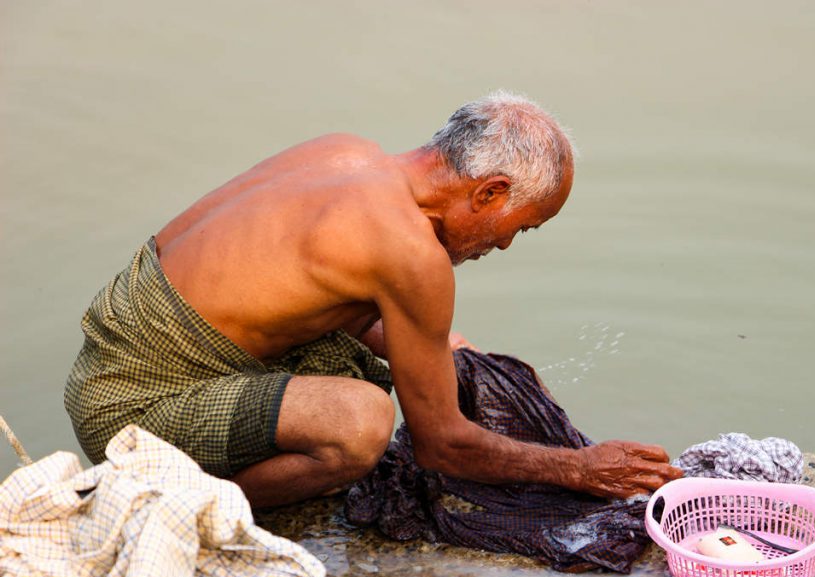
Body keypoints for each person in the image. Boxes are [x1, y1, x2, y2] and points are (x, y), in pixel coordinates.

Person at [64, 92, 682, 508]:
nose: (506, 246)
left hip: (105, 364)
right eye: (521, 227)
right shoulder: (413, 257)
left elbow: (316, 292)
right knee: (360, 423)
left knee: (422, 359)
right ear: (491, 192)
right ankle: (190, 512)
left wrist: (461, 357)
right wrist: (577, 468)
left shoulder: (345, 153)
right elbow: (442, 445)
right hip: (134, 408)